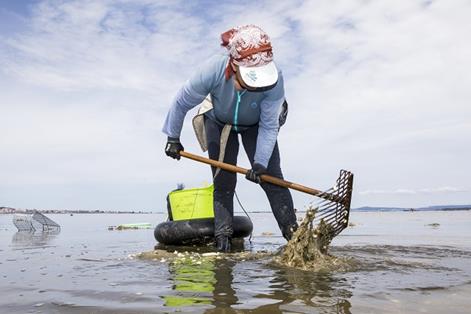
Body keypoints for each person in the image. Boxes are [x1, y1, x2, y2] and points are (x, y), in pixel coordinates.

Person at [162, 24, 298, 252]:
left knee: (272, 179)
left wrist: (260, 163)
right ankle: (222, 240)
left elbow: (268, 125)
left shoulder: (276, 79)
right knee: (224, 181)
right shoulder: (212, 69)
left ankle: (296, 239)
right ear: (233, 65)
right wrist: (173, 137)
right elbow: (181, 102)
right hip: (219, 121)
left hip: (256, 125)